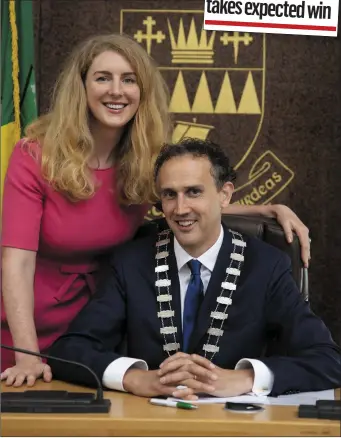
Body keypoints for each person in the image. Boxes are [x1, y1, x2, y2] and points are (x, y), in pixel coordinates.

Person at [1, 33, 310, 387]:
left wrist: (266, 209)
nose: (116, 91)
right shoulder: (35, 155)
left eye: (128, 79)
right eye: (103, 77)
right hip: (26, 320)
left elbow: (188, 204)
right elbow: (17, 261)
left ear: (142, 90)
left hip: (97, 320)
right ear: (81, 87)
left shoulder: (144, 157)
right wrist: (25, 354)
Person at [48, 138, 340, 400]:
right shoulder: (132, 262)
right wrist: (134, 378)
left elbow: (328, 361)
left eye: (194, 192)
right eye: (169, 195)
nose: (180, 208)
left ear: (224, 195)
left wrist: (244, 378)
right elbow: (69, 351)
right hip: (147, 424)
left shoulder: (266, 265)